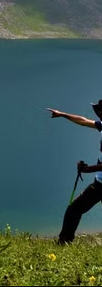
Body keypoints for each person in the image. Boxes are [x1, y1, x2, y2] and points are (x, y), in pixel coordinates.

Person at [48, 100, 102, 244]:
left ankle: (64, 241)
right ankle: (64, 241)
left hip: (100, 185)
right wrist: (62, 114)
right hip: (99, 183)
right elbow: (83, 121)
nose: (97, 114)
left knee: (74, 209)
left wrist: (87, 169)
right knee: (74, 209)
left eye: (99, 111)